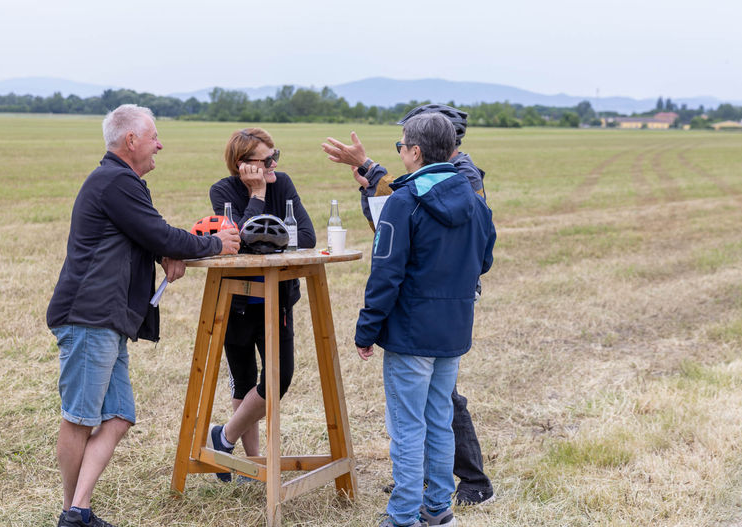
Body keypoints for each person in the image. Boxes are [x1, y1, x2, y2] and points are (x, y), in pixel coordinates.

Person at [46, 104, 241, 527]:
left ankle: (78, 510)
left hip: (108, 319)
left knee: (118, 415)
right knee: (79, 418)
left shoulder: (123, 183)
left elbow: (143, 234)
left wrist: (166, 252)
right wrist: (211, 245)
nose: (160, 144)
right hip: (88, 316)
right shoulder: (114, 181)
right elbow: (156, 232)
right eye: (154, 136)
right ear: (131, 141)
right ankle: (70, 512)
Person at [322, 104, 495, 506]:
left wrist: (367, 329)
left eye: (403, 143)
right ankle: (432, 498)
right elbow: (482, 252)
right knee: (437, 414)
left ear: (420, 149)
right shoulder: (463, 187)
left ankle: (438, 495)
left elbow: (395, 243)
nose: (401, 148)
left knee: (420, 418)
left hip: (420, 318)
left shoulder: (455, 182)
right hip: (451, 318)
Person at [207, 128, 315, 481]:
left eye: (275, 156)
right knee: (243, 380)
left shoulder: (282, 184)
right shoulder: (223, 191)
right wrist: (256, 196)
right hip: (236, 300)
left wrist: (266, 194)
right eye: (265, 160)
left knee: (277, 379)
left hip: (278, 298)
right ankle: (252, 466)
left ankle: (222, 437)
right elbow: (236, 242)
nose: (273, 165)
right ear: (243, 165)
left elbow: (307, 237)